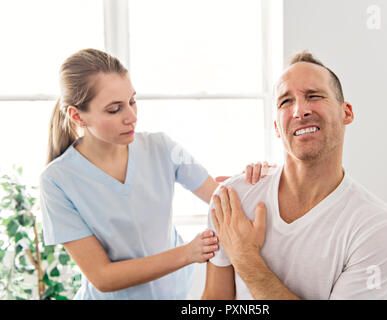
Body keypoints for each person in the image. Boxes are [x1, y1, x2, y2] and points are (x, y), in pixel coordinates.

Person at [39, 48, 269, 299]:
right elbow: (102, 277)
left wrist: (257, 181)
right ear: (77, 115)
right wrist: (188, 253)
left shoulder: (162, 148)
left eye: (132, 101)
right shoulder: (57, 181)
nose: (132, 117)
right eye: (114, 109)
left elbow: (220, 197)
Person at [202, 51, 387, 300]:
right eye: (285, 102)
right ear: (278, 128)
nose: (300, 111)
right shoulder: (233, 199)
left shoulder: (380, 227)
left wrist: (245, 258)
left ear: (347, 112)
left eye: (314, 96)